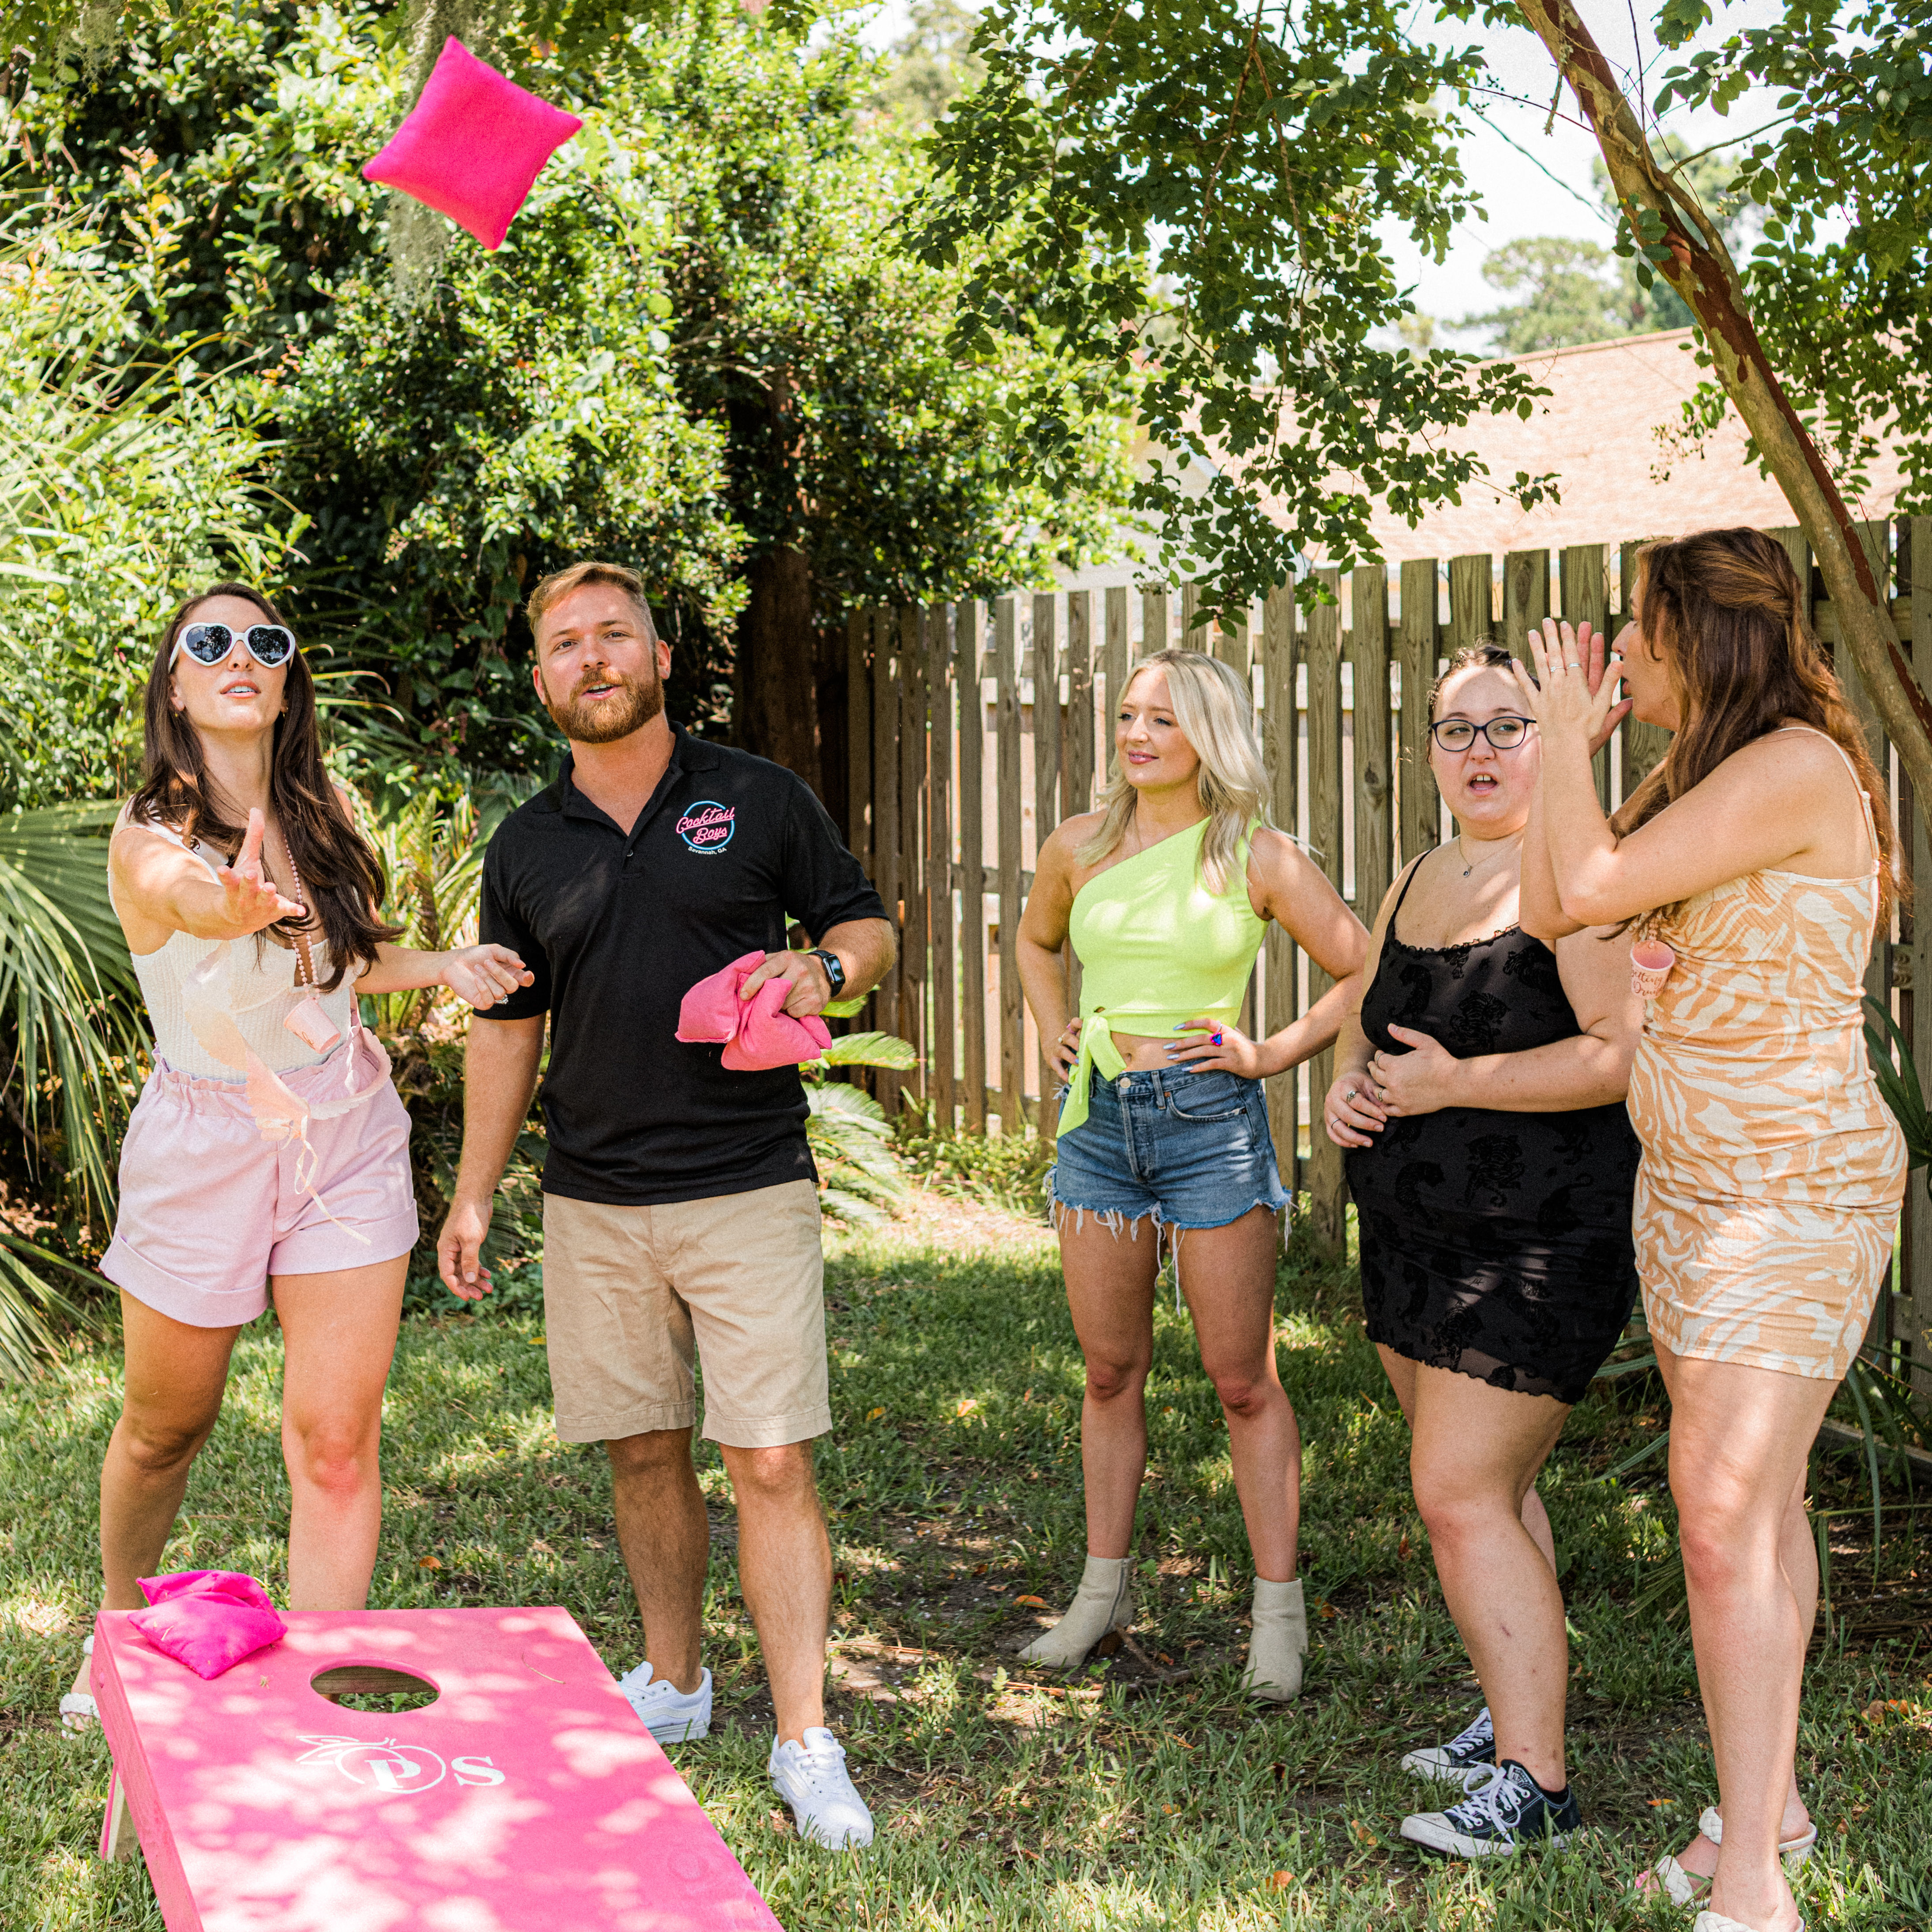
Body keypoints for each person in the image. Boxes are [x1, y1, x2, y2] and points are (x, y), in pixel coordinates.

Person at [436, 561, 896, 1850]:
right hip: (591, 1198)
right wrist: (474, 1195)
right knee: (642, 1446)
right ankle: (679, 1684)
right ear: (540, 681)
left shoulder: (756, 796)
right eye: (565, 645)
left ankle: (806, 1737)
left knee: (768, 1456)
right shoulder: (527, 842)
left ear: (658, 654)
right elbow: (507, 1028)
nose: (592, 660)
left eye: (613, 636)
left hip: (746, 1184)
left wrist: (821, 962)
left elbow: (867, 924)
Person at [1518, 528, 1904, 1932]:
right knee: (1759, 1509)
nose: (1619, 650)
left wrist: (1566, 740)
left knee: (1721, 1517)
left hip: (1791, 1194)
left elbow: (1595, 891)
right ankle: (1767, 1812)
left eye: (1637, 625)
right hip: (1689, 1189)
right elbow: (1565, 905)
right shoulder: (1705, 772)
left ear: (1699, 634)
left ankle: (1752, 1890)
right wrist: (1590, 795)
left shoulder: (1793, 764)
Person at [61, 582, 531, 1732]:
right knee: (167, 1423)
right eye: (208, 641)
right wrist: (228, 902)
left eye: (263, 643)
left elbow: (343, 964)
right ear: (177, 683)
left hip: (346, 1132)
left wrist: (446, 966)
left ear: (284, 681)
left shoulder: (324, 808)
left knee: (334, 1438)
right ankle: (119, 1621)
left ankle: (314, 1697)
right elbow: (192, 902)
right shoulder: (149, 838)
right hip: (206, 1142)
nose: (240, 655)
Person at [1322, 641, 1642, 1856]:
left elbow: (1616, 1051)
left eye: (1510, 727)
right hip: (1411, 1234)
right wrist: (1353, 1093)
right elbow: (1373, 1028)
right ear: (1430, 752)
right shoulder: (1423, 868)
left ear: (1555, 742)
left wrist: (1460, 1081)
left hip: (1537, 1243)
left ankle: (1537, 1786)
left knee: (1456, 1492)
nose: (1483, 753)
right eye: (1459, 731)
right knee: (1491, 1493)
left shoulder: (1573, 876)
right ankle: (1508, 1709)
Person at [1013, 647, 1367, 1699]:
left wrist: (1266, 1053)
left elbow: (1359, 963)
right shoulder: (1074, 845)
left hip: (1209, 1123)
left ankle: (1276, 1614)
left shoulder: (1253, 853)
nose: (1135, 734)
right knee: (1109, 1369)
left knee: (1240, 1377)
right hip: (1098, 1132)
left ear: (1207, 733)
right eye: (1126, 714)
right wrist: (1049, 1030)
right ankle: (1100, 1596)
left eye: (1161, 719)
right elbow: (1035, 947)